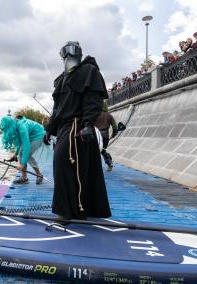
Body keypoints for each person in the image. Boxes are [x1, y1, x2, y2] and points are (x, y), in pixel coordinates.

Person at [45, 41, 111, 220]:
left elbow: (94, 100)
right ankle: (77, 208)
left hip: (78, 125)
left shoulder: (89, 71)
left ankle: (69, 211)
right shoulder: (61, 79)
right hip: (65, 126)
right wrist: (50, 129)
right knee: (68, 165)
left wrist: (88, 123)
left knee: (65, 163)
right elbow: (57, 109)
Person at [0, 115, 45, 184]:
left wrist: (23, 164)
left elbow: (26, 146)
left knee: (27, 154)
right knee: (21, 154)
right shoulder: (15, 126)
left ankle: (39, 175)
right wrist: (15, 154)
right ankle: (24, 178)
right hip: (30, 135)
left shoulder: (22, 127)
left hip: (38, 134)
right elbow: (20, 143)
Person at [94, 101, 118, 172]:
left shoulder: (95, 114)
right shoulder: (109, 115)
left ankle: (94, 166)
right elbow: (115, 127)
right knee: (103, 150)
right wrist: (113, 135)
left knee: (94, 151)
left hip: (96, 135)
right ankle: (109, 163)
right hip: (105, 136)